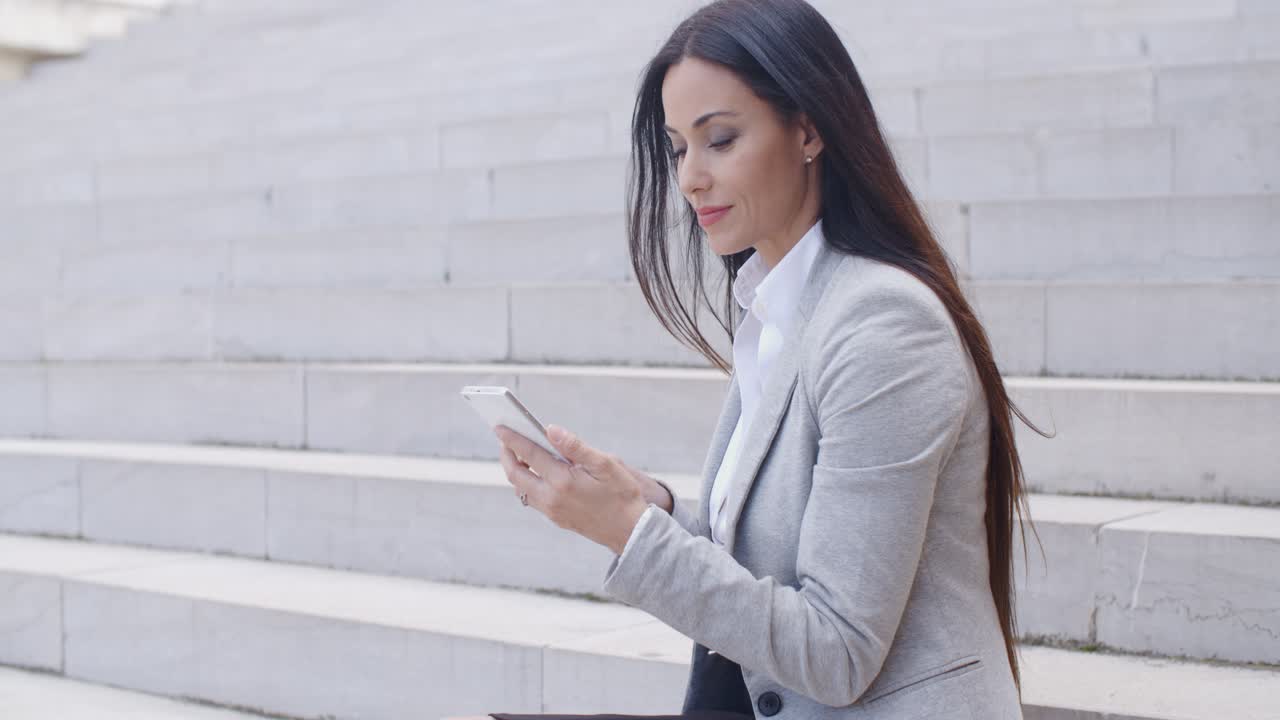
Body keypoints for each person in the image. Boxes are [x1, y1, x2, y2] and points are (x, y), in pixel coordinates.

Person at [490, 0, 1046, 717]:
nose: (690, 178)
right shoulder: (778, 309)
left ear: (808, 130)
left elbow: (838, 651)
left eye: (719, 140)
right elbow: (770, 567)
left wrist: (627, 531)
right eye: (678, 148)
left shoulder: (884, 328)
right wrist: (652, 510)